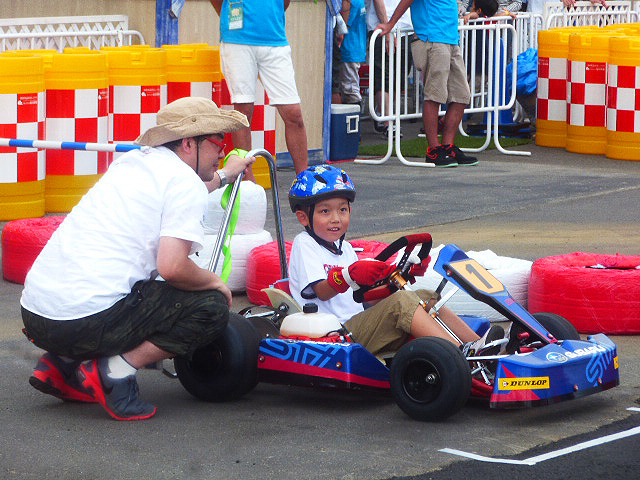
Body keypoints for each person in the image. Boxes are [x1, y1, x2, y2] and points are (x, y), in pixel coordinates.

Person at [20, 97, 256, 421]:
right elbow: (172, 268)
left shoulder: (134, 162)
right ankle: (113, 372)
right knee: (210, 306)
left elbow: (193, 185)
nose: (222, 150)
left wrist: (226, 176)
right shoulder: (185, 184)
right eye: (218, 141)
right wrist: (215, 282)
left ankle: (61, 364)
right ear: (189, 143)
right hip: (86, 321)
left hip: (37, 316)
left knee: (126, 287)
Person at [287, 164, 504, 358]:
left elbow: (365, 299)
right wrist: (348, 275)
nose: (336, 218)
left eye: (342, 210)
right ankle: (457, 356)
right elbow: (321, 292)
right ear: (304, 217)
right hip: (334, 335)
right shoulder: (304, 244)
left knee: (423, 296)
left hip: (357, 324)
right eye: (325, 211)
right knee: (401, 304)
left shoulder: (345, 249)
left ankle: (477, 345)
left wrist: (398, 275)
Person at [210, 0, 308, 176]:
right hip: (237, 40)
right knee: (243, 110)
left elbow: (284, 3)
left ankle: (305, 180)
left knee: (293, 112)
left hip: (275, 39)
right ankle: (246, 178)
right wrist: (228, 18)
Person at [377, 0, 479, 167]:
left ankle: (448, 146)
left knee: (461, 95)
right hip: (432, 38)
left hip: (451, 39)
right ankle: (433, 149)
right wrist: (390, 24)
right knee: (434, 95)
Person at [366, 0, 414, 136]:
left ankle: (384, 113)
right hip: (381, 28)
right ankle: (388, 122)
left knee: (399, 76)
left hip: (405, 28)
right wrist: (388, 30)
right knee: (384, 77)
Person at [333, 0, 368, 105]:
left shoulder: (349, 4)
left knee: (350, 90)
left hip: (348, 48)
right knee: (351, 87)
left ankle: (353, 118)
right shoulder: (361, 2)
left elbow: (343, 28)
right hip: (357, 47)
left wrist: (342, 30)